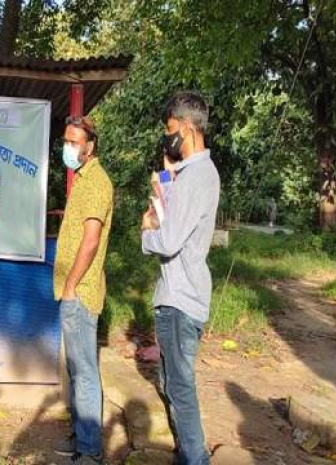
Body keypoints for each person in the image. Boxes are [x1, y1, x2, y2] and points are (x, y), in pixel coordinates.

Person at [142, 91, 220, 465]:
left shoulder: (197, 176)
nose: (168, 138)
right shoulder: (194, 175)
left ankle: (195, 458)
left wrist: (146, 234)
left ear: (187, 128)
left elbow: (169, 240)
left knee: (180, 387)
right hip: (183, 294)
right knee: (172, 382)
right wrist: (164, 188)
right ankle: (189, 454)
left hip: (179, 299)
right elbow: (176, 221)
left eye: (171, 130)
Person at [51, 116, 114, 465]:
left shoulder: (96, 183)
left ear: (90, 146)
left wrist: (72, 285)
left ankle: (90, 452)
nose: (68, 148)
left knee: (85, 372)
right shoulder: (84, 180)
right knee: (77, 369)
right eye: (66, 141)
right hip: (73, 291)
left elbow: (90, 241)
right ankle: (81, 439)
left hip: (81, 292)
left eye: (74, 142)